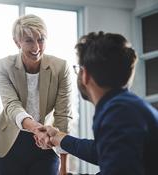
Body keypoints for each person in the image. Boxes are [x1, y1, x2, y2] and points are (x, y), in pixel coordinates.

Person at [38, 31, 158, 175]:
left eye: (78, 69)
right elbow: (106, 152)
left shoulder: (117, 112)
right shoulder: (126, 106)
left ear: (85, 74)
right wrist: (60, 138)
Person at [0, 14, 72, 175]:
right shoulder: (4, 66)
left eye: (41, 39)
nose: (36, 48)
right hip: (9, 144)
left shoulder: (60, 68)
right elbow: (11, 105)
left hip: (45, 141)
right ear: (17, 41)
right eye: (29, 41)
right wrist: (35, 128)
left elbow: (63, 116)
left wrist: (64, 167)